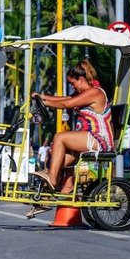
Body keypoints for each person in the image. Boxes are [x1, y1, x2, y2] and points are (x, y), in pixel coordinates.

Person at [31, 60, 113, 199]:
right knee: (55, 161)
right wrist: (42, 97)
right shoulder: (85, 92)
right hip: (88, 138)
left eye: (72, 83)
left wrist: (46, 103)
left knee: (59, 137)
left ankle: (52, 179)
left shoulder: (95, 92)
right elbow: (66, 98)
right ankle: (46, 198)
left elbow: (67, 103)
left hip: (99, 139)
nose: (72, 86)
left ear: (81, 79)